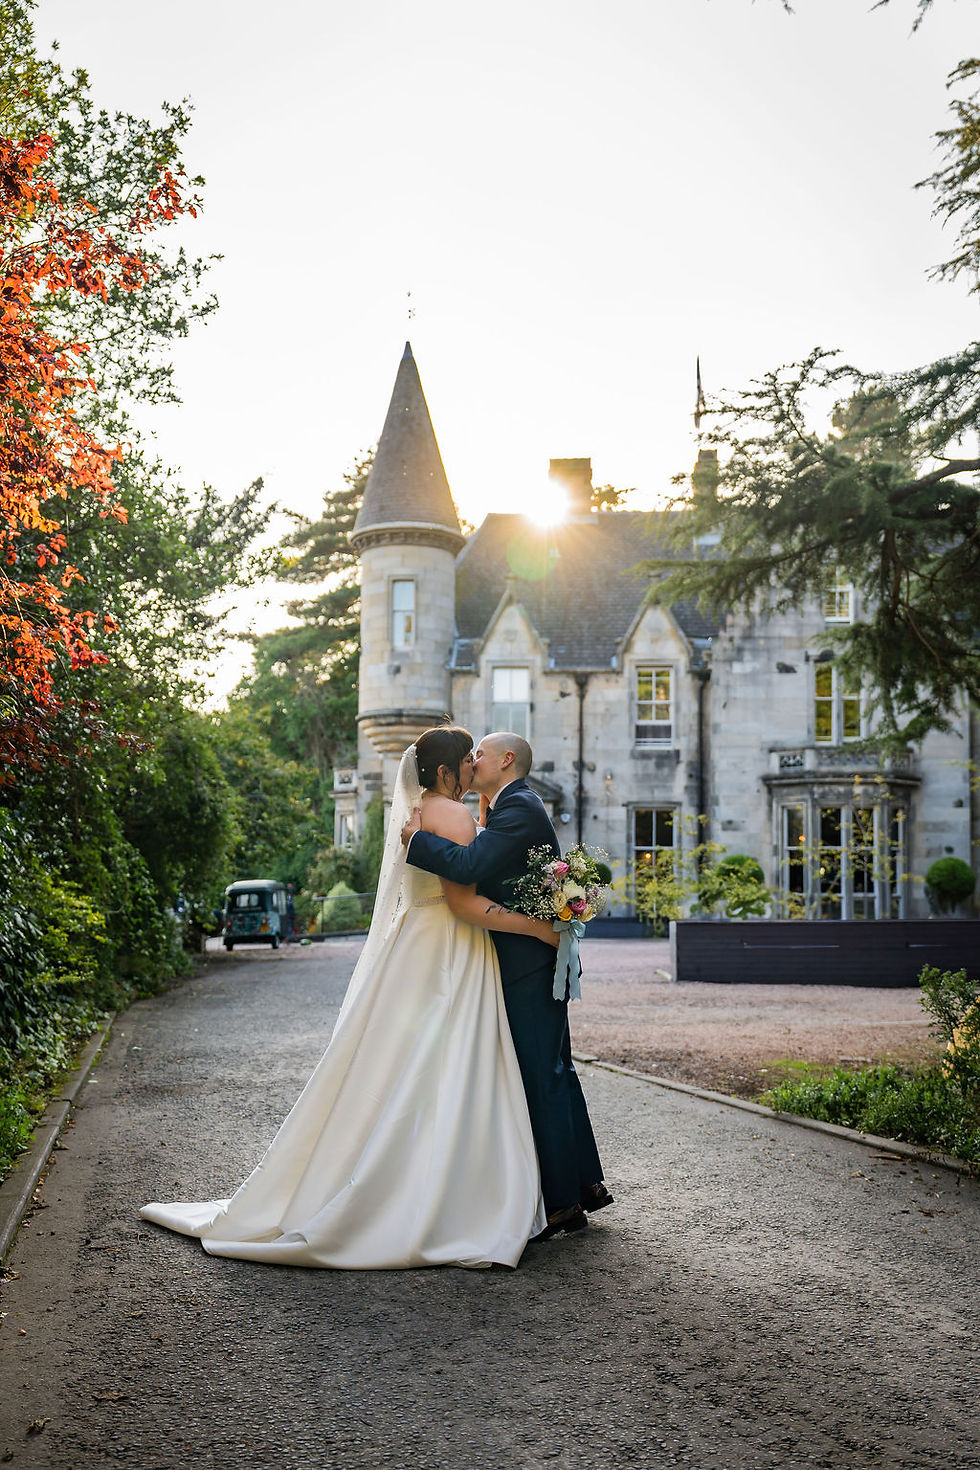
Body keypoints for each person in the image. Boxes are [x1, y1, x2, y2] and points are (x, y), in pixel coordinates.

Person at [140, 727, 557, 1269]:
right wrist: (538, 927)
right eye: (467, 761)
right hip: (452, 952)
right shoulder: (453, 818)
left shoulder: (417, 814)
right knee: (454, 1067)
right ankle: (444, 1189)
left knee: (393, 1068)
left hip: (413, 947)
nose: (476, 767)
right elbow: (463, 902)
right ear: (447, 773)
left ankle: (378, 1175)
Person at [402, 731, 612, 1239]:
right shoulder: (504, 806)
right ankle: (583, 1184)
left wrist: (417, 841)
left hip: (528, 963)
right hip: (528, 959)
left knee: (542, 1075)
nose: (472, 762)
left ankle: (561, 1204)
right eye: (467, 758)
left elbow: (471, 867)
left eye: (481, 756)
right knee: (554, 1071)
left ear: (508, 760)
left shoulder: (520, 806)